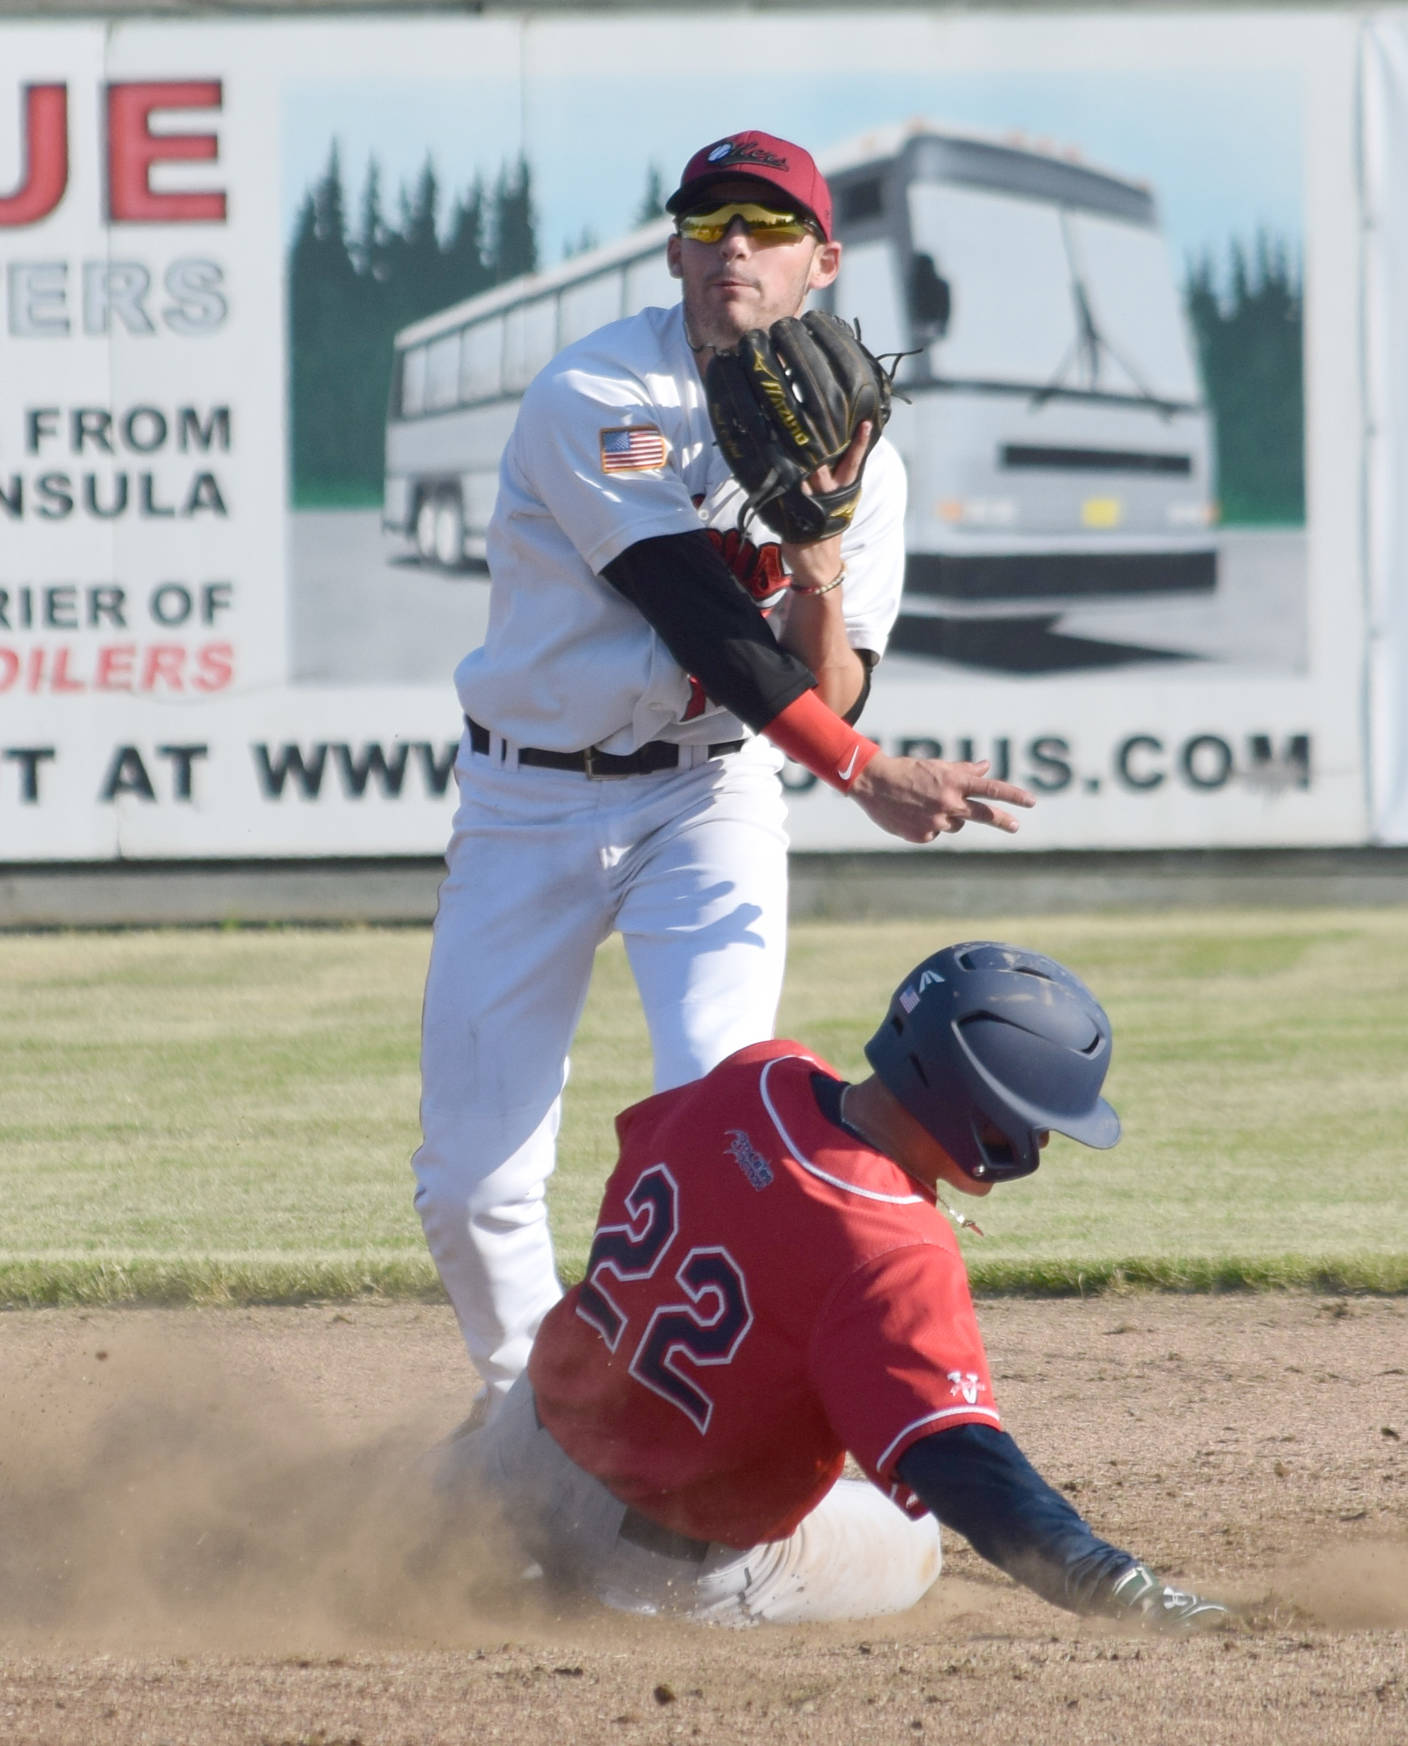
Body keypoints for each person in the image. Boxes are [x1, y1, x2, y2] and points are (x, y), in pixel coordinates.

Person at [413, 129, 1036, 1402]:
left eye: (761, 227)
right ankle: (538, 1422)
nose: (730, 248)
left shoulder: (868, 454)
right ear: (673, 251)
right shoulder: (599, 395)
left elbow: (828, 679)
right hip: (526, 797)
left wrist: (817, 552)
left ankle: (684, 1418)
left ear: (821, 259)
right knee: (472, 1183)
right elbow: (690, 613)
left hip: (705, 795)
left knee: (716, 1125)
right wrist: (862, 772)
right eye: (705, 226)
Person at [446, 942, 1229, 1632]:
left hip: (525, 1446)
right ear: (980, 1113)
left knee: (368, 1521)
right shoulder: (893, 1248)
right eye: (1038, 1119)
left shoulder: (759, 1073)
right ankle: (565, 1593)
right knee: (914, 1543)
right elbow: (965, 1469)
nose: (1046, 1138)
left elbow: (645, 1160)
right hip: (657, 1566)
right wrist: (1113, 1581)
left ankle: (469, 1520)